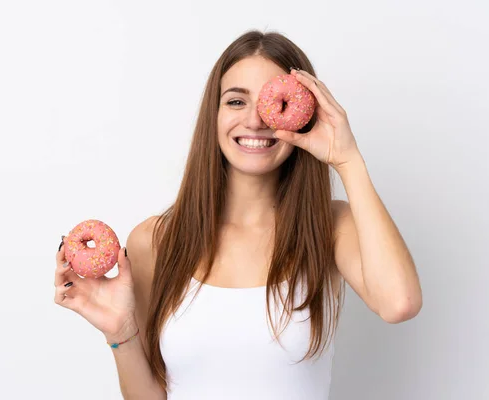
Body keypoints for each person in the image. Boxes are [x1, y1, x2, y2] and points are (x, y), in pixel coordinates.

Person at [53, 29, 423, 400]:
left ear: (304, 116)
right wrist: (121, 333)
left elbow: (398, 303)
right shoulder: (156, 240)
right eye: (235, 102)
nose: (255, 122)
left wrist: (348, 159)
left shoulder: (328, 227)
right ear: (213, 116)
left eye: (269, 103)